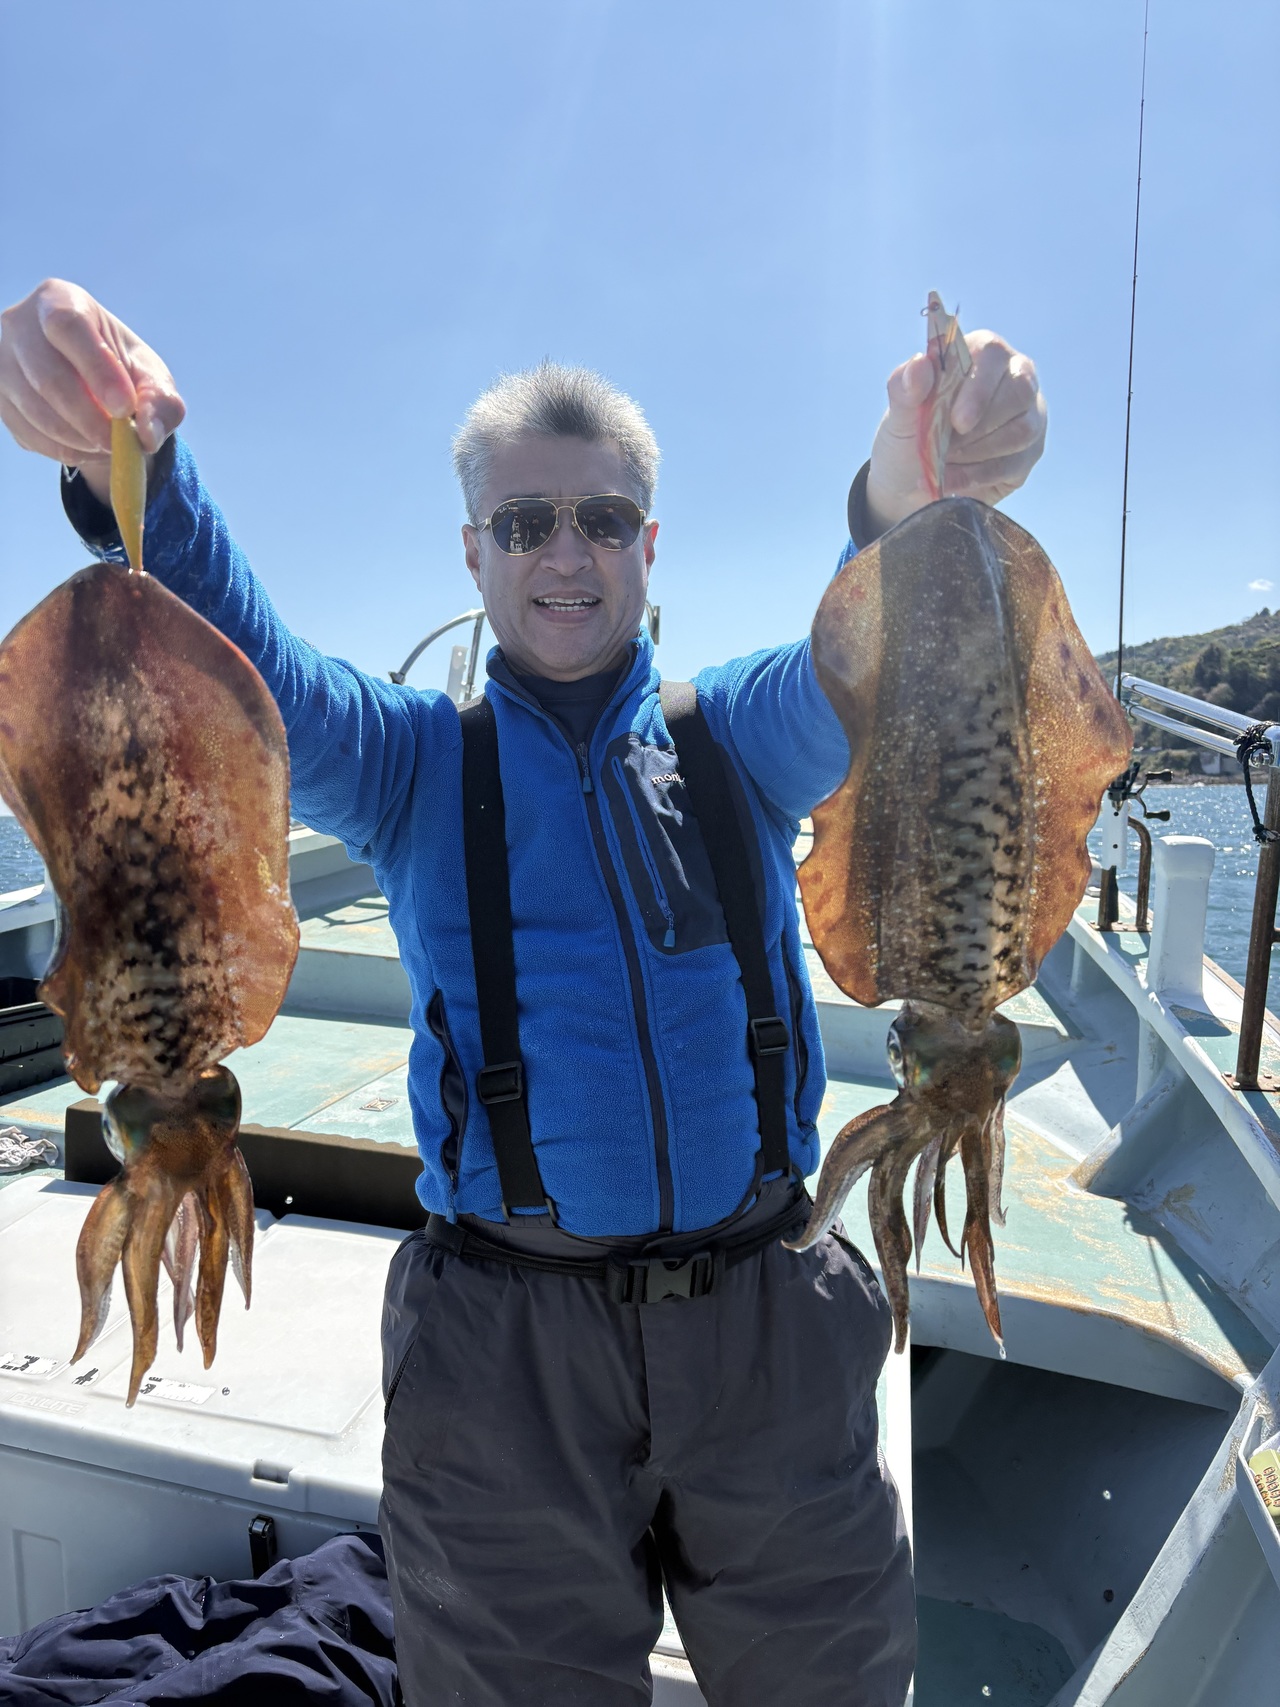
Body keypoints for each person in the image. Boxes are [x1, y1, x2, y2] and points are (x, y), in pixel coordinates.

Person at [0, 279, 1047, 1707]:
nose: (567, 552)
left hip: (767, 1313)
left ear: (649, 546)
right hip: (505, 1350)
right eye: (525, 522)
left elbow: (857, 668)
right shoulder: (412, 763)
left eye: (603, 519)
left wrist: (904, 500)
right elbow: (258, 669)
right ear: (473, 552)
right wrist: (134, 465)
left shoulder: (735, 736)